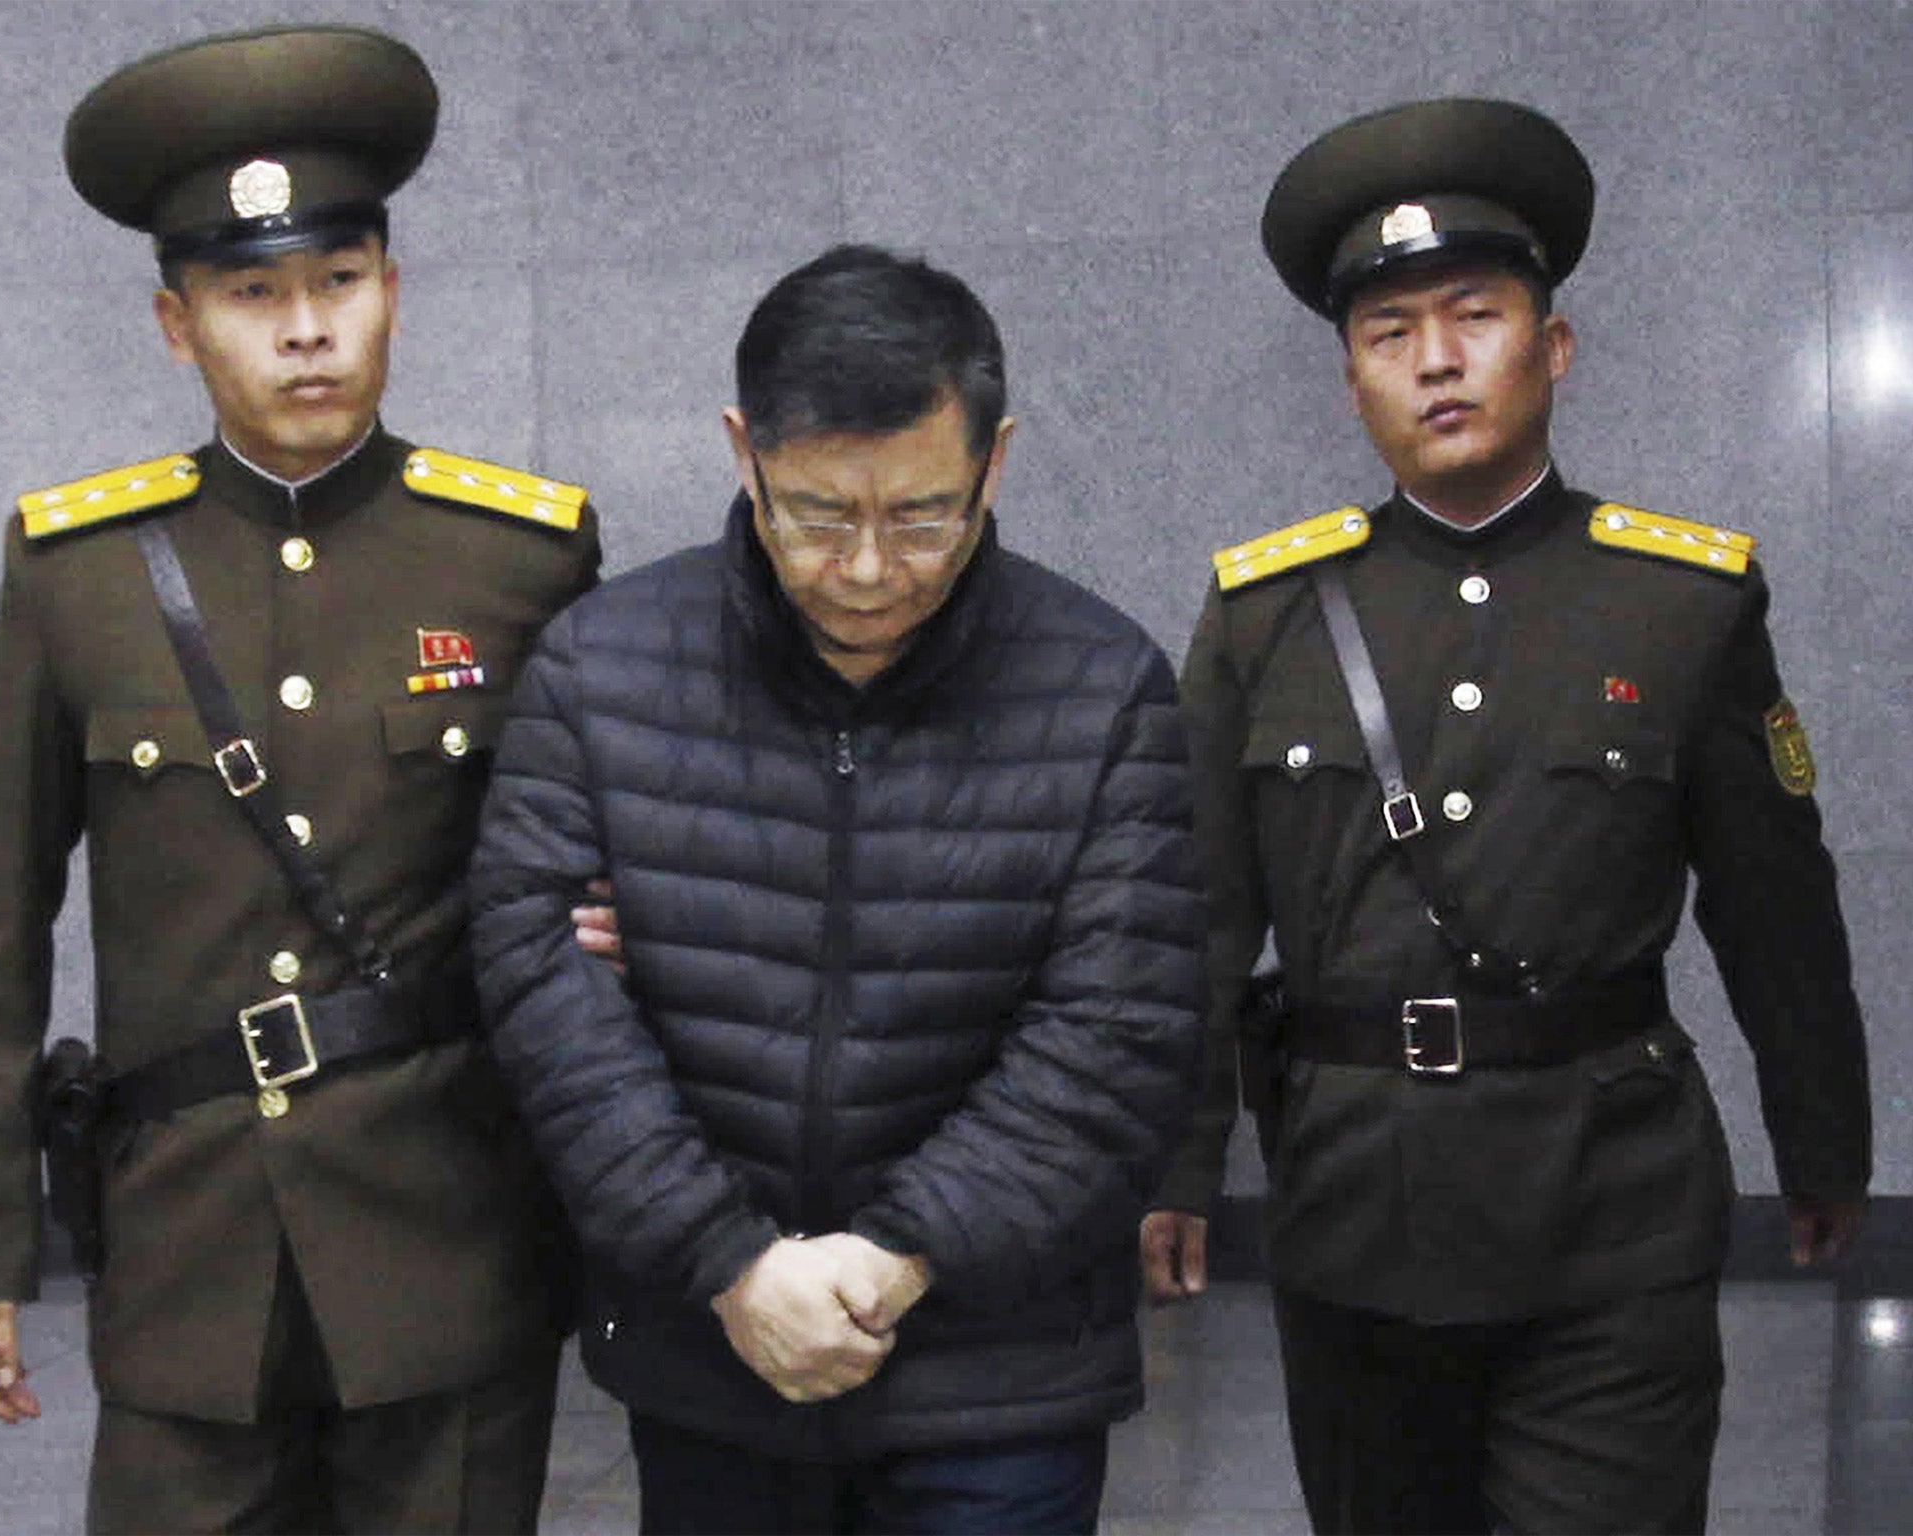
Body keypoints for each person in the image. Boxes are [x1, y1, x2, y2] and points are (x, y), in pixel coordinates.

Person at [0, 25, 599, 1534]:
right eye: (252, 293)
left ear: (392, 293)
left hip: (449, 1239)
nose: (304, 332)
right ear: (175, 323)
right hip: (187, 1252)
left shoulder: (523, 556)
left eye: (339, 283)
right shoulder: (76, 571)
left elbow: (584, 878)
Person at [1146, 97, 1872, 1534]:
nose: (1435, 361)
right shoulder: (1264, 617)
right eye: (1388, 334)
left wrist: (1822, 1140)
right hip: (1359, 1206)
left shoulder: (1681, 601)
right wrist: (1177, 1159)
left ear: (1553, 347)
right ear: (1352, 381)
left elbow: (1774, 897)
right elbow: (1200, 919)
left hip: (1612, 1208)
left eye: (1474, 315)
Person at [470, 243, 1205, 1535]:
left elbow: (1116, 1034)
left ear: (998, 458)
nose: (869, 568)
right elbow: (546, 998)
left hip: (1001, 1369)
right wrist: (731, 1265)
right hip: (713, 1358)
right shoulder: (603, 672)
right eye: (817, 513)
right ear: (742, 451)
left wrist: (892, 1257)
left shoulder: (1103, 689)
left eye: (924, 513)